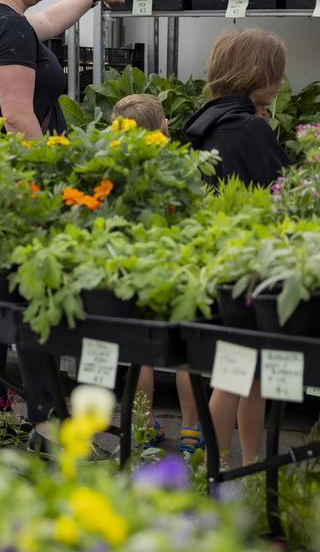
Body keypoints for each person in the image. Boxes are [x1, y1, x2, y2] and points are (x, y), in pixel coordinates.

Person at [0, 0, 135, 435]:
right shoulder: (7, 29)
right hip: (19, 189)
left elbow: (46, 22)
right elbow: (18, 117)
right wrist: (54, 184)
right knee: (32, 308)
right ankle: (46, 422)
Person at [184, 28, 290, 466]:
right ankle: (229, 471)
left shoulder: (204, 123)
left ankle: (230, 469)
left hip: (215, 265)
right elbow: (283, 193)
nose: (282, 83)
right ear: (255, 74)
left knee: (238, 375)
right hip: (250, 272)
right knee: (242, 375)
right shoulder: (248, 128)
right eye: (276, 74)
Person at [111, 93, 202, 455]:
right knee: (185, 353)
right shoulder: (180, 168)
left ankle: (144, 425)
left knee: (142, 351)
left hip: (136, 270)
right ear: (165, 128)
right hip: (176, 268)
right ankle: (192, 430)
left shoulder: (119, 173)